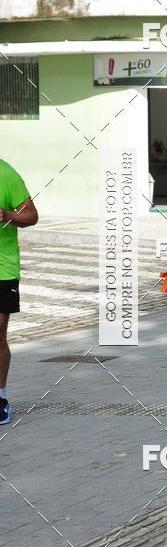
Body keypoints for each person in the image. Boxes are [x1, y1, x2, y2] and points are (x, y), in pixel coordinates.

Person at [0, 159, 39, 425]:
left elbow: (31, 215)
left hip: (2, 269)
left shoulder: (5, 173)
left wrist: (8, 215)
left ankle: (0, 397)